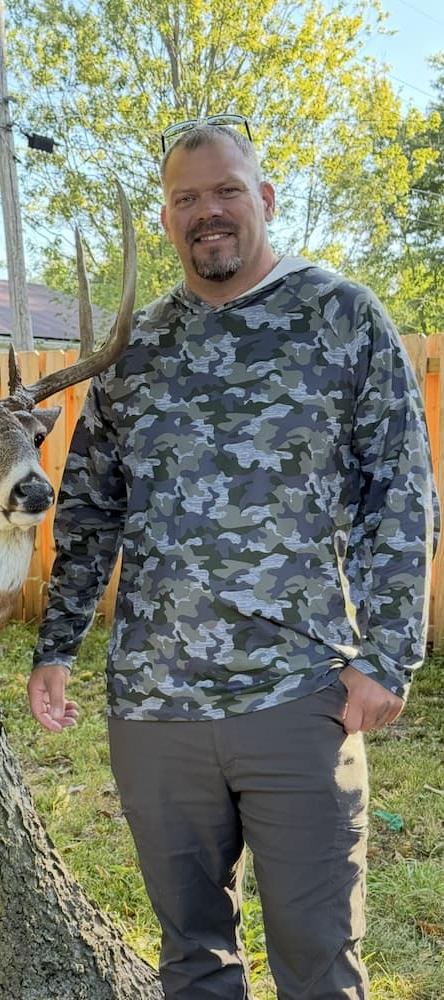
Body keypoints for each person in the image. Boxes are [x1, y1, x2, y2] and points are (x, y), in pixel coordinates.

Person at [27, 117, 439, 1000]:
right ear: (168, 217)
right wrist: (56, 647)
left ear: (265, 199)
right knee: (193, 961)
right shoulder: (133, 350)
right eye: (186, 199)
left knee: (318, 960)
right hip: (153, 708)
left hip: (298, 698)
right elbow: (92, 506)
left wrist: (391, 658)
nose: (206, 212)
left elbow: (399, 495)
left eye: (225, 191)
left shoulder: (341, 316)